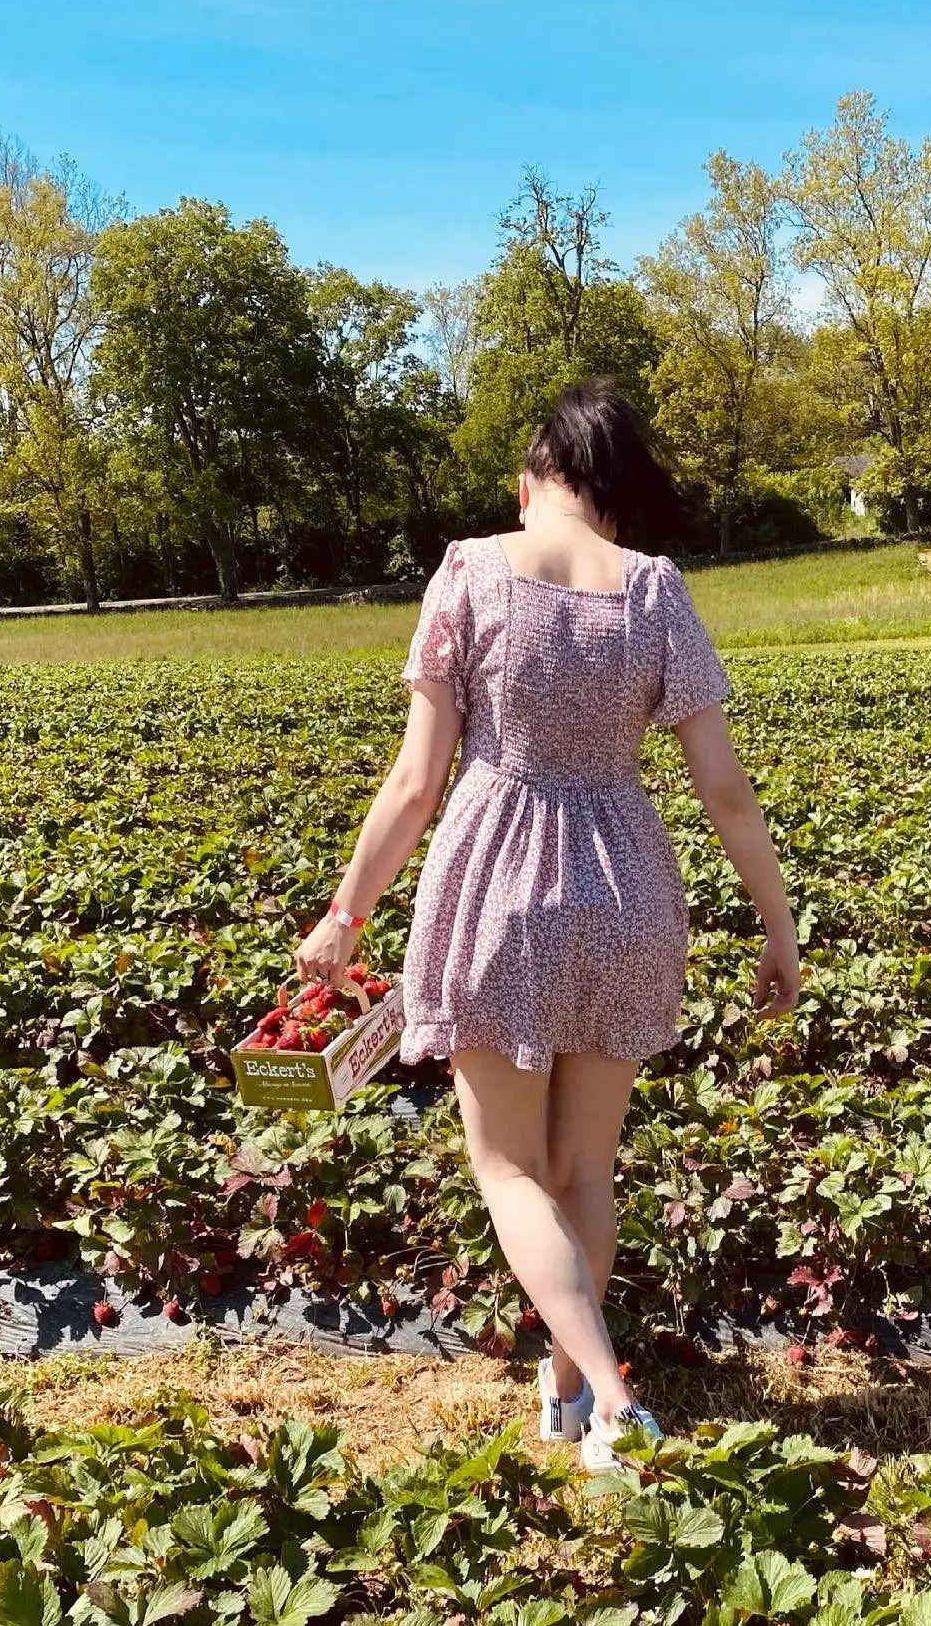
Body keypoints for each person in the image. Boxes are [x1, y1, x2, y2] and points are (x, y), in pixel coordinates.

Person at [294, 378, 799, 1471]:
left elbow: (416, 782)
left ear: (529, 485)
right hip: (627, 889)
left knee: (509, 1172)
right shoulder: (656, 590)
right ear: (611, 494)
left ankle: (612, 1400)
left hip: (495, 890)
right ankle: (567, 1401)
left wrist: (347, 912)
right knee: (584, 1173)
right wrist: (778, 926)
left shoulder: (471, 572)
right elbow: (727, 792)